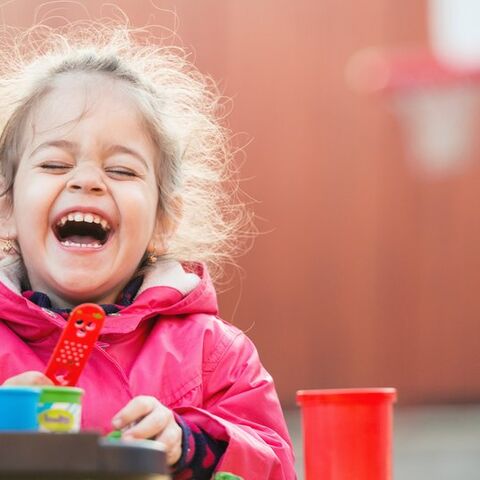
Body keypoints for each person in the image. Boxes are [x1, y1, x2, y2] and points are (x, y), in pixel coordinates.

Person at [0, 21, 296, 480]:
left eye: (120, 170)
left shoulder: (214, 353)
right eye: (55, 163)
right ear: (7, 209)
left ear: (163, 220)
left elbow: (274, 466)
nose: (86, 180)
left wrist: (192, 446)